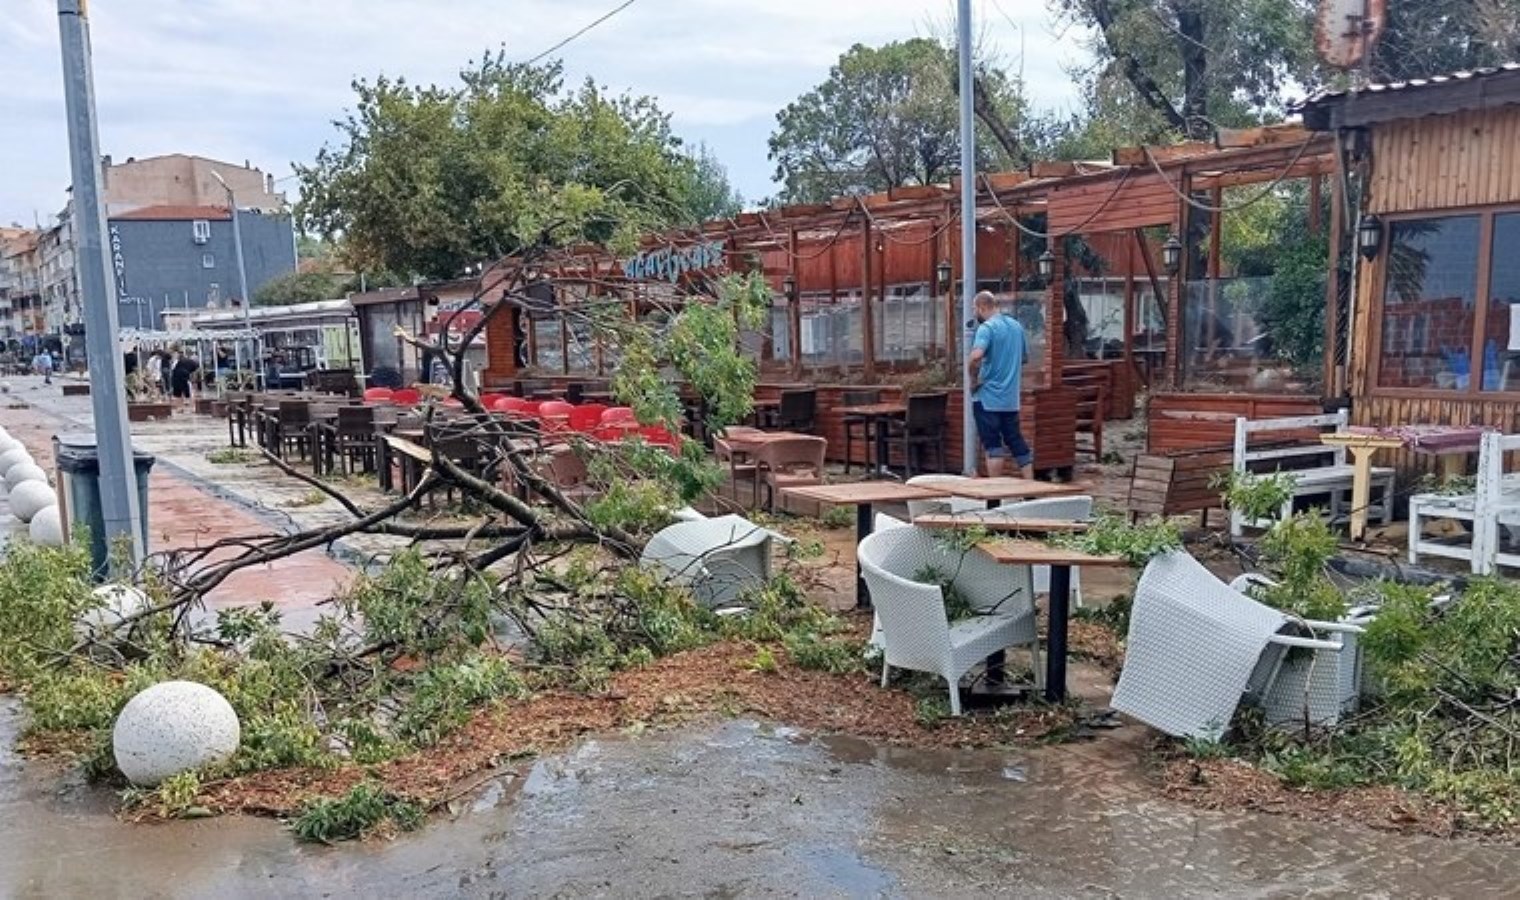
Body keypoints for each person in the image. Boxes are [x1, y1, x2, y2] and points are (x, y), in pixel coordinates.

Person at [967, 291, 1032, 478]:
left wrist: (973, 378)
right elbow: (1024, 358)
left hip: (987, 397)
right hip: (1010, 399)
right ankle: (1030, 489)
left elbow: (977, 355)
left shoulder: (986, 328)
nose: (974, 314)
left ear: (982, 307)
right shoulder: (1016, 327)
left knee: (993, 445)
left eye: (974, 309)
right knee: (1016, 440)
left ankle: (994, 496)